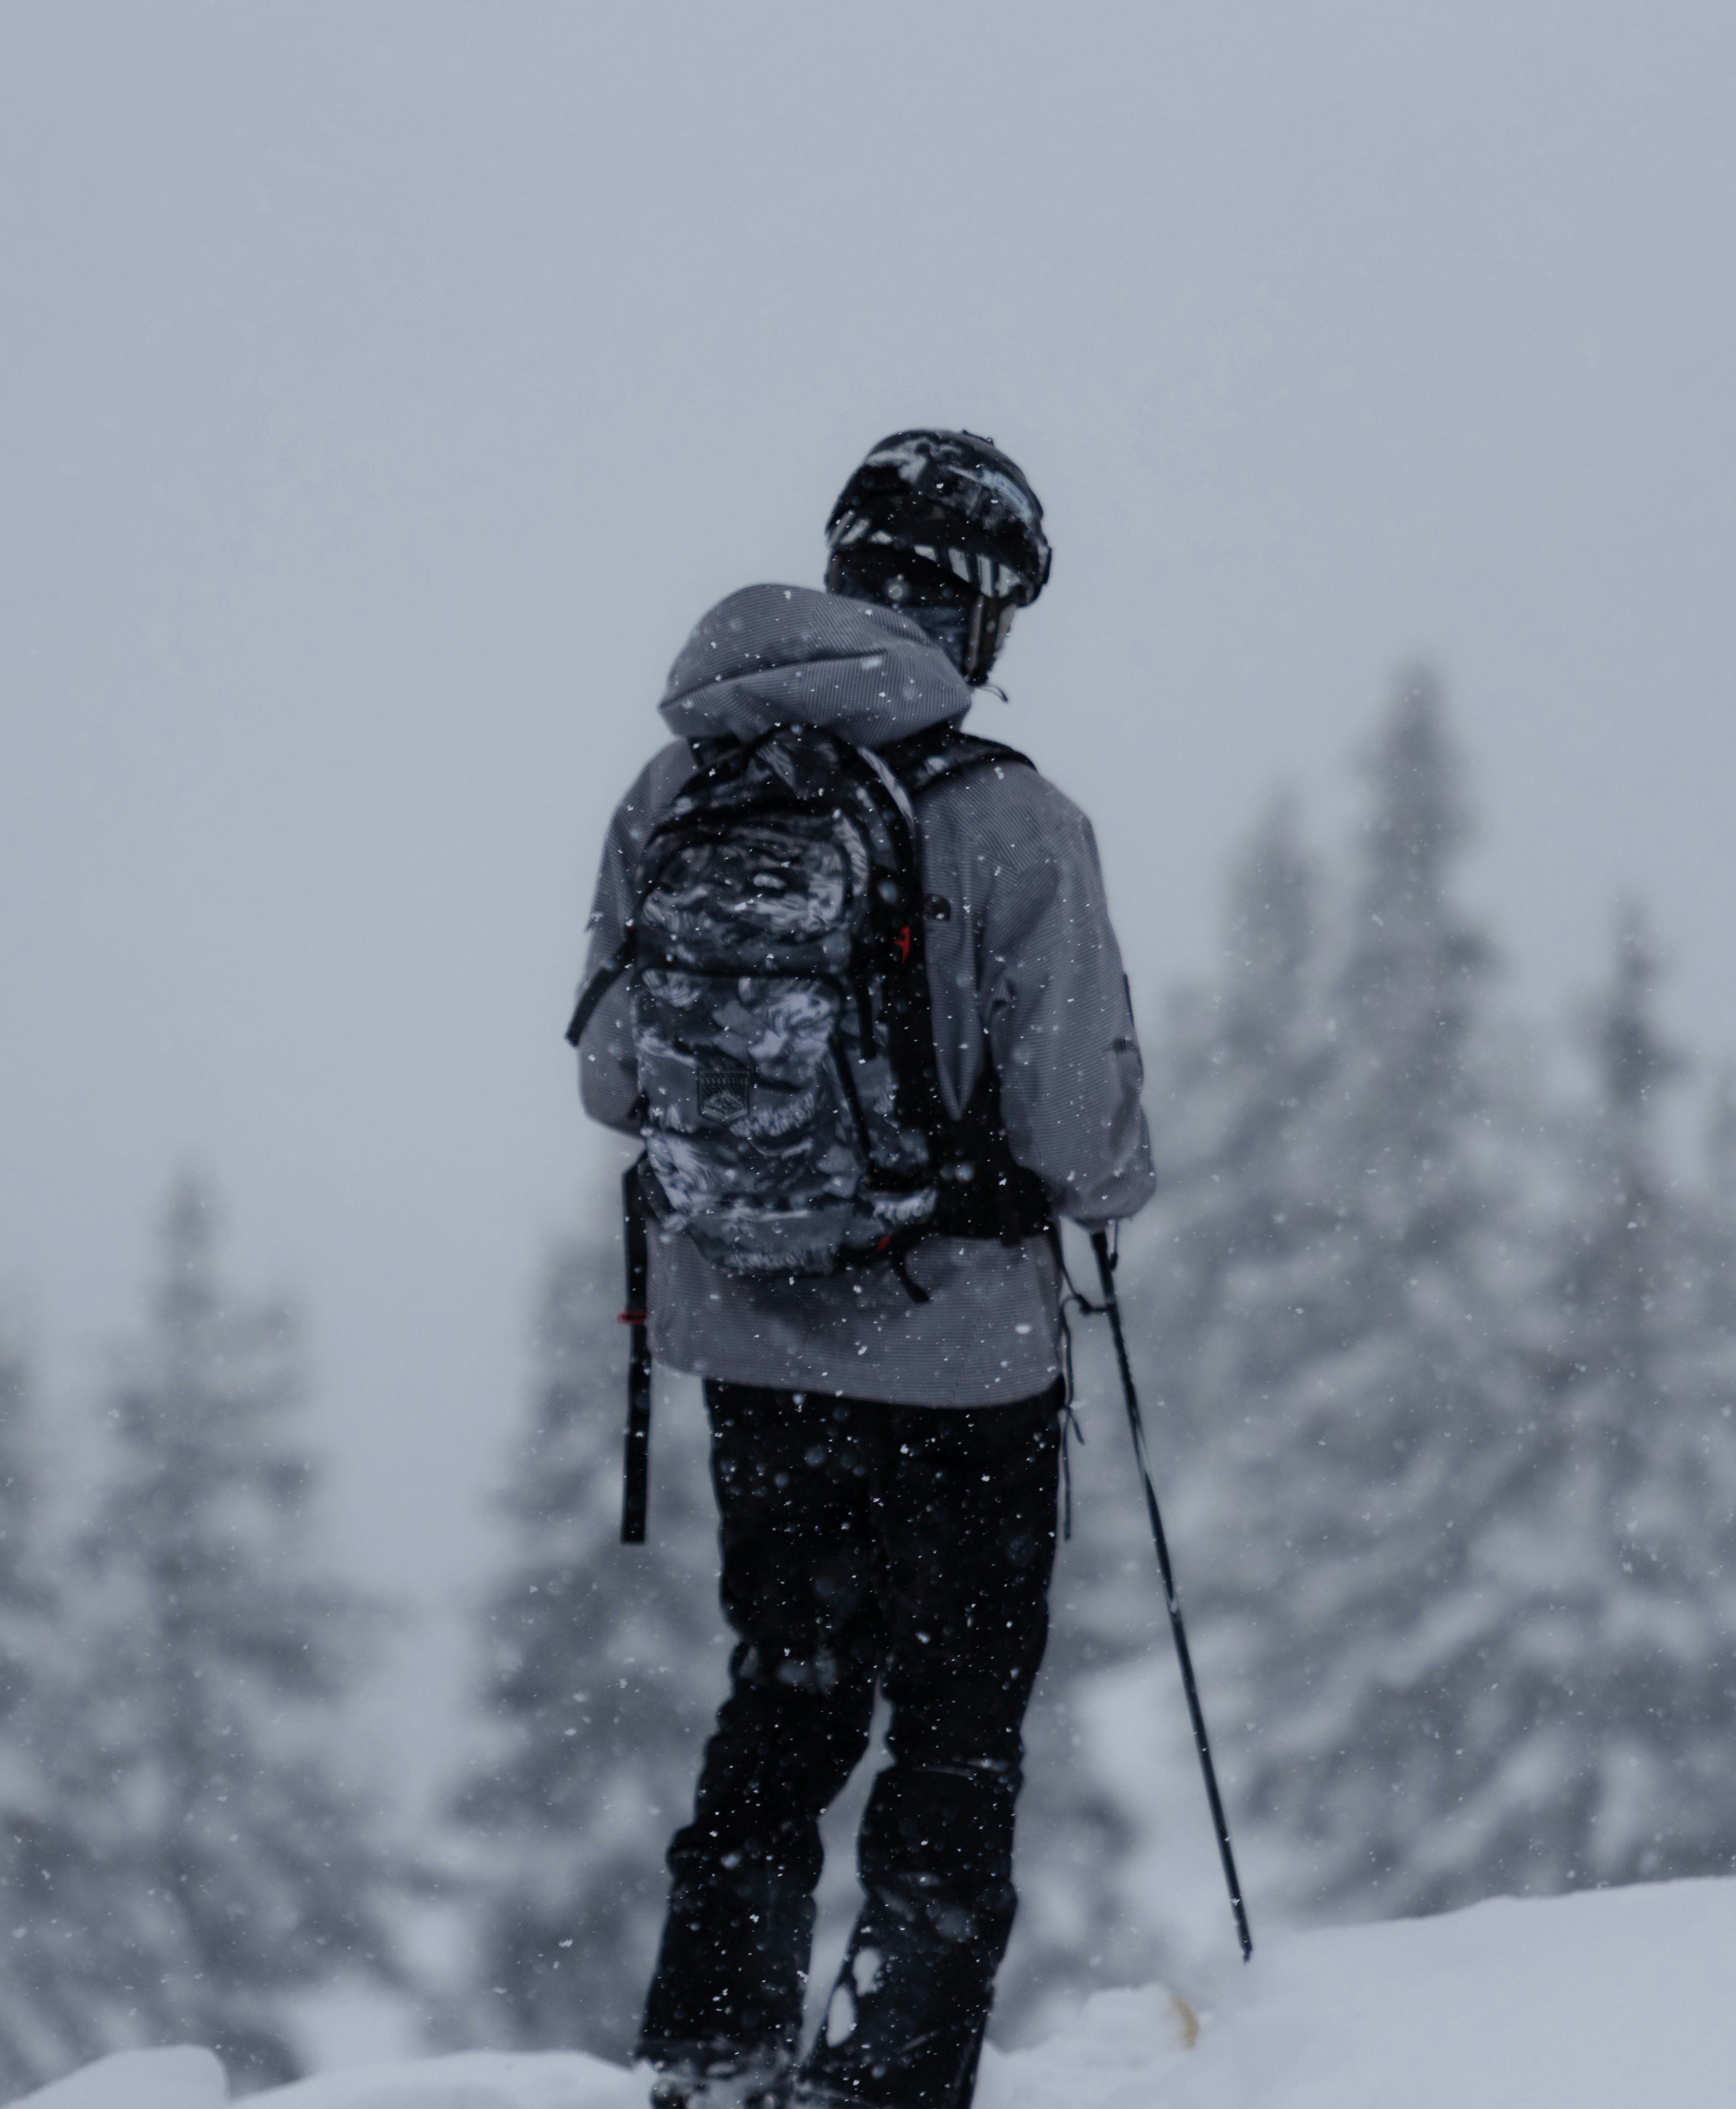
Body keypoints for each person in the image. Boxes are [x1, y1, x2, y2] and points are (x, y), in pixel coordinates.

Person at [569, 431, 1152, 2109]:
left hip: (753, 1340)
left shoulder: (675, 793)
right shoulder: (1019, 824)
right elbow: (1084, 1147)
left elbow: (614, 1080)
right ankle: (886, 2082)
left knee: (785, 1694)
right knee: (954, 1738)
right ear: (976, 611)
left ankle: (712, 2060)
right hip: (966, 1363)